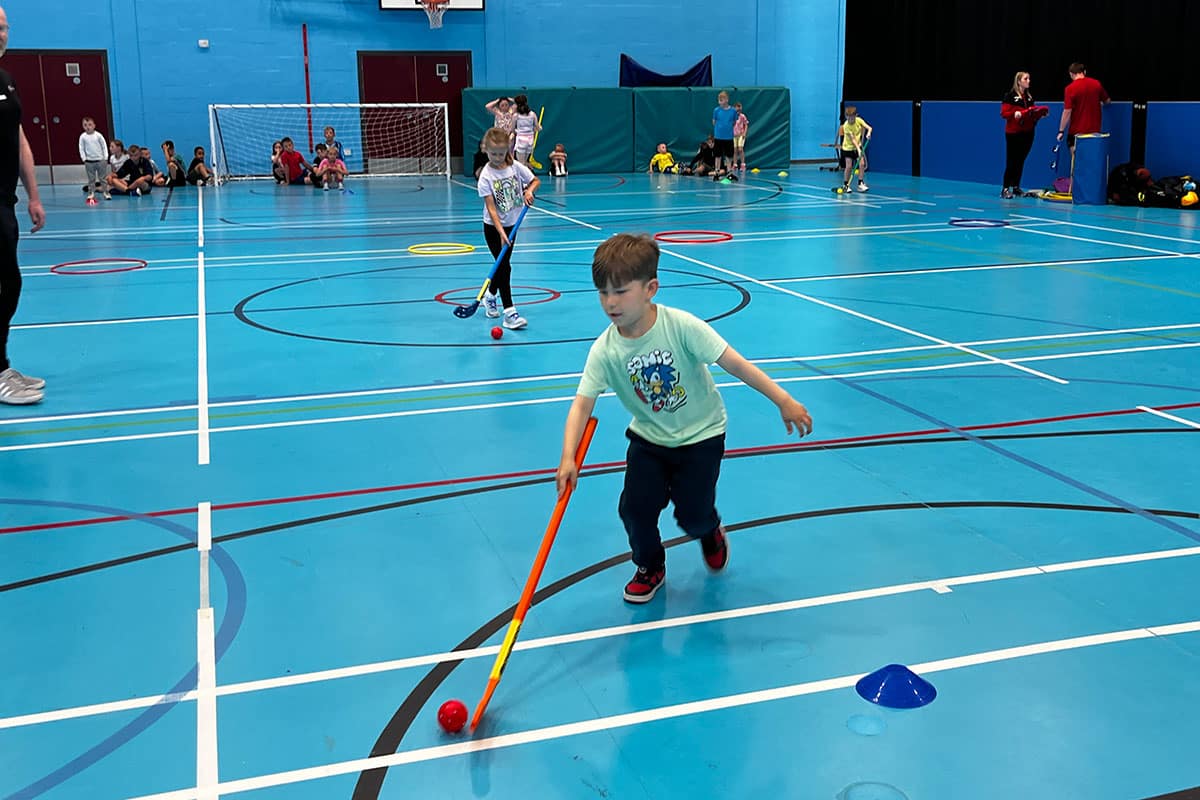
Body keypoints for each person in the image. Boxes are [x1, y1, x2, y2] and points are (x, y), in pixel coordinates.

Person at [555, 234, 813, 603]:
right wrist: (568, 456)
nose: (610, 303)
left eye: (621, 292)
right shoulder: (605, 349)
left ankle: (709, 531)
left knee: (693, 514)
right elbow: (582, 404)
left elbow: (734, 363)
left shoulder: (682, 327)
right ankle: (650, 566)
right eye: (603, 293)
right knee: (634, 509)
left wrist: (783, 400)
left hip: (702, 437)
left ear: (650, 289)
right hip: (649, 440)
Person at [0, 5, 48, 405]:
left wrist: (33, 195)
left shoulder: (6, 81)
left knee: (9, 284)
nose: (1, 34)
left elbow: (19, 142)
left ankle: (1, 365)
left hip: (5, 201)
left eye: (4, 28)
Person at [477, 126, 539, 330]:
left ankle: (490, 295)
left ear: (508, 150)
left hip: (513, 224)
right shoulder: (486, 176)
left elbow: (535, 180)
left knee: (502, 265)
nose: (497, 157)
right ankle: (510, 312)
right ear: (485, 150)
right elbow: (492, 209)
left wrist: (529, 191)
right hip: (494, 228)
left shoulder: (514, 167)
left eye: (501, 153)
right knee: (504, 267)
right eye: (493, 153)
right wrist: (502, 233)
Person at [1000, 72, 1049, 198]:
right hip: (1013, 133)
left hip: (1028, 132)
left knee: (1021, 160)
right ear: (1019, 81)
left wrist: (1039, 115)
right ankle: (1005, 189)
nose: (1028, 81)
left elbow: (1031, 114)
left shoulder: (1029, 97)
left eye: (1029, 78)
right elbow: (1004, 113)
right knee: (1012, 160)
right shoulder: (1010, 96)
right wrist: (1014, 114)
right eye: (1026, 79)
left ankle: (1016, 187)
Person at [1057, 62, 1110, 152]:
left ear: (1071, 74)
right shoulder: (1096, 84)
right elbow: (1107, 101)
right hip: (1095, 132)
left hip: (1076, 133)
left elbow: (1067, 111)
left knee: (1077, 160)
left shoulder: (1069, 89)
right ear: (1084, 72)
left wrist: (1061, 130)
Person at [836, 105, 872, 192]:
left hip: (857, 146)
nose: (850, 119)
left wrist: (869, 133)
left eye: (852, 117)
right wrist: (859, 150)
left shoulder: (859, 120)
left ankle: (860, 183)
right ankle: (845, 185)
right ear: (846, 116)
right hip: (848, 148)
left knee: (862, 164)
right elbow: (853, 140)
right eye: (848, 117)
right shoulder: (846, 126)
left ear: (856, 115)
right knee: (849, 167)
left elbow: (869, 127)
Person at [78, 116, 109, 203]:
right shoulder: (83, 137)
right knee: (91, 179)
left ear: (94, 125)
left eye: (90, 125)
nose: (88, 127)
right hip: (89, 161)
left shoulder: (98, 135)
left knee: (102, 178)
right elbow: (81, 148)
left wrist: (105, 157)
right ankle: (91, 193)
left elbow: (104, 146)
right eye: (85, 125)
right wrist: (83, 158)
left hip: (100, 160)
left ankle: (106, 192)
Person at [711, 90, 738, 177]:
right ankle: (717, 172)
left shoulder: (733, 111)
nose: (720, 102)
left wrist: (728, 128)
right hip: (718, 136)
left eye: (721, 100)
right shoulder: (716, 110)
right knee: (717, 155)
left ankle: (729, 172)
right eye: (719, 100)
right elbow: (714, 122)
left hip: (728, 137)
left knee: (728, 155)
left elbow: (734, 122)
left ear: (726, 100)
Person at [511, 94, 540, 166]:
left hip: (521, 139)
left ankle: (522, 176)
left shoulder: (516, 115)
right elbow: (538, 127)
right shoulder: (532, 114)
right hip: (530, 140)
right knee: (524, 163)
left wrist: (516, 132)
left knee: (521, 164)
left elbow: (512, 129)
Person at [732, 102, 750, 171]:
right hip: (734, 136)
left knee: (740, 149)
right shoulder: (732, 117)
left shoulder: (742, 116)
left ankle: (743, 164)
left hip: (740, 136)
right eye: (737, 110)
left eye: (739, 110)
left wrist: (744, 133)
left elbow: (746, 124)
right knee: (735, 150)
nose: (738, 111)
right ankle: (735, 165)